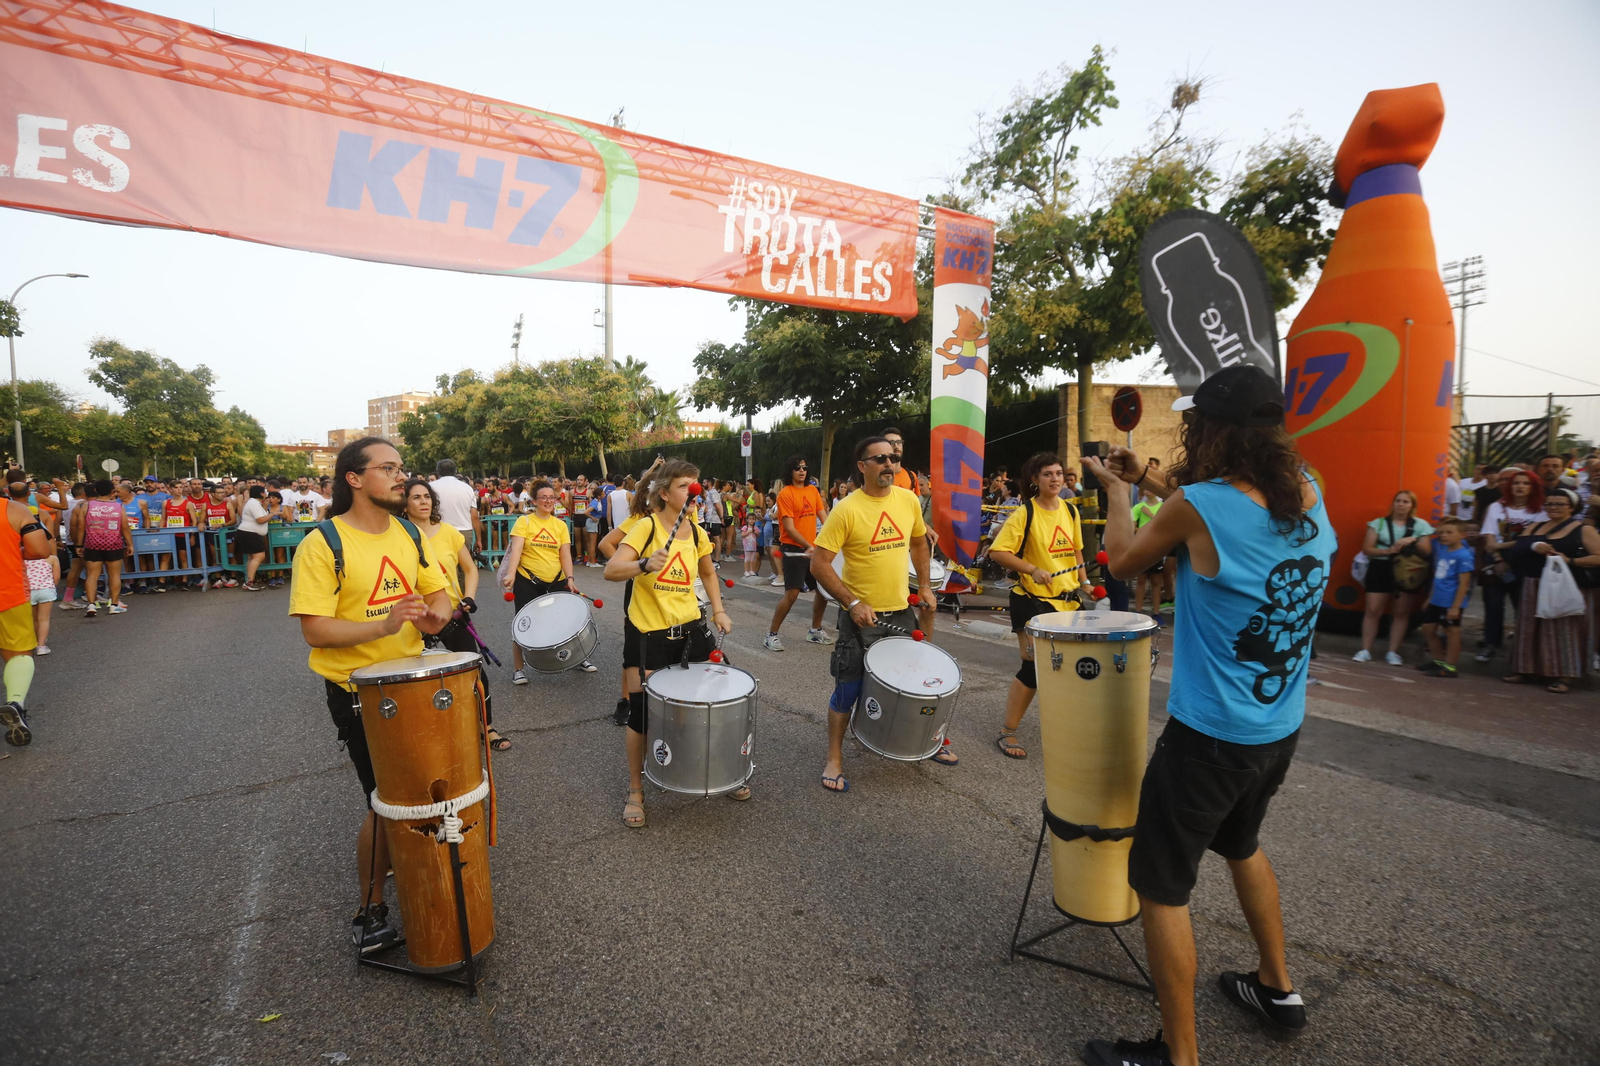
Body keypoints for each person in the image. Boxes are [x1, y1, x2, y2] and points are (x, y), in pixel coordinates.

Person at [1081, 364, 1336, 1066]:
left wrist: (1120, 489)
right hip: (1276, 728)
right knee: (1242, 844)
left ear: (1211, 430)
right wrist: (1158, 486)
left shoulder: (1199, 503)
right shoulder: (1308, 495)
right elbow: (1225, 517)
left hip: (1209, 735)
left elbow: (1126, 560)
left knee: (1160, 886)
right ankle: (1278, 989)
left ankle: (1180, 1056)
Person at [289, 437, 452, 953]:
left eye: (402, 468)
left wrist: (438, 614)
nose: (401, 477)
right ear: (354, 479)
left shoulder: (407, 531)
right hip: (358, 691)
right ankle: (369, 908)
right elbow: (315, 630)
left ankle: (432, 874)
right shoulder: (322, 543)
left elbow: (437, 593)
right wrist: (384, 623)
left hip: (414, 681)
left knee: (434, 785)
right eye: (388, 469)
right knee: (386, 801)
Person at [602, 461, 738, 826]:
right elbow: (611, 570)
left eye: (696, 485)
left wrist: (718, 611)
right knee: (642, 713)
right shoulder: (644, 527)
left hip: (691, 629)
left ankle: (722, 768)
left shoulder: (695, 532)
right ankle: (635, 790)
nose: (693, 491)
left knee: (716, 699)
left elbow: (708, 572)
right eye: (684, 486)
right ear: (664, 493)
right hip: (648, 636)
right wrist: (644, 564)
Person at [809, 436, 947, 793]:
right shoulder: (846, 509)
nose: (889, 464)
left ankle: (923, 742)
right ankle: (834, 758)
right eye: (880, 459)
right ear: (863, 466)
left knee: (915, 683)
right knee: (849, 688)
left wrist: (926, 589)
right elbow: (819, 564)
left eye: (894, 458)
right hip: (858, 616)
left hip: (900, 611)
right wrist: (852, 603)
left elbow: (919, 541)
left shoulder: (908, 500)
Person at [985, 452, 1082, 760]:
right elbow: (997, 552)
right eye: (1048, 474)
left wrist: (1086, 582)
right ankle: (1008, 731)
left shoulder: (1070, 510)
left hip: (1070, 603)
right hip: (1033, 602)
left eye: (1058, 473)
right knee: (1033, 668)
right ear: (1034, 481)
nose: (1055, 479)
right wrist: (1031, 569)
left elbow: (1077, 553)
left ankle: (1065, 726)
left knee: (1068, 669)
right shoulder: (1025, 513)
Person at [403, 477, 509, 751]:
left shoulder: (449, 532)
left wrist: (469, 597)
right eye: (416, 497)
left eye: (427, 496)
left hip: (451, 616)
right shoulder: (397, 535)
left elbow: (470, 569)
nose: (423, 501)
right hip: (412, 622)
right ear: (404, 503)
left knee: (475, 675)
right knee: (414, 682)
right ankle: (425, 736)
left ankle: (486, 727)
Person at [1500, 488, 1599, 693]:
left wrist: (1571, 560)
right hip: (1533, 584)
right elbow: (1517, 549)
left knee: (1565, 630)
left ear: (1571, 507)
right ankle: (1524, 669)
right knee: (1529, 628)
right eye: (1550, 504)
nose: (1553, 508)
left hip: (1566, 585)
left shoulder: (1583, 529)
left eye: (1559, 504)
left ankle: (1565, 677)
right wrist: (1534, 546)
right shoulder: (1536, 525)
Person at [501, 479, 595, 681]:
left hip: (556, 579)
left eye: (551, 497)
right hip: (527, 579)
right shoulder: (524, 522)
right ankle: (519, 669)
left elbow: (565, 555)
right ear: (533, 500)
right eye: (543, 497)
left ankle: (579, 658)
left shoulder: (560, 525)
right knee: (522, 623)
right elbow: (516, 550)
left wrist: (570, 578)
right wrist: (510, 573)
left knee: (569, 620)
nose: (548, 501)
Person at [1353, 490, 1433, 665]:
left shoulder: (1421, 526)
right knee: (1373, 610)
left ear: (1412, 506)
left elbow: (1427, 551)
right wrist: (1387, 551)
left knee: (1401, 612)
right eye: (1398, 500)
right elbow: (1367, 548)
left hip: (1407, 570)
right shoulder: (1378, 524)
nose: (1401, 504)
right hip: (1380, 567)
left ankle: (1393, 652)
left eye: (1406, 502)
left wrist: (1412, 540)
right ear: (1393, 503)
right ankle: (1365, 649)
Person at [1476, 469, 1547, 664]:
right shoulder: (1496, 508)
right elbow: (1489, 537)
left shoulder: (1540, 511)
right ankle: (1491, 644)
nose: (1520, 487)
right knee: (1493, 605)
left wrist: (1499, 545)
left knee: (1523, 606)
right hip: (1496, 561)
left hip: (1526, 562)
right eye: (1516, 483)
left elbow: (1530, 541)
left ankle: (1522, 648)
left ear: (1532, 488)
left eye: (1525, 483)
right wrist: (1498, 557)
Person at [0, 481, 52, 746]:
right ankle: (15, 703)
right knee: (19, 654)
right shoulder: (15, 509)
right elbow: (40, 551)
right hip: (7, 592)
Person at [765, 455, 834, 651]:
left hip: (813, 550)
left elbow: (825, 518)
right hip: (794, 549)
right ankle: (771, 635)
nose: (802, 471)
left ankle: (815, 630)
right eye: (797, 468)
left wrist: (834, 538)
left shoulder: (813, 491)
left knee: (823, 590)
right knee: (792, 594)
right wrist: (807, 545)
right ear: (790, 472)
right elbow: (790, 527)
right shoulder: (785, 494)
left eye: (804, 467)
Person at [1414, 518, 1475, 678]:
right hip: (1437, 599)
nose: (1444, 536)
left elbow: (1464, 584)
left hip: (1450, 601)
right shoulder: (1443, 551)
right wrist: (1430, 597)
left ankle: (1450, 666)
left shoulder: (1464, 556)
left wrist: (1456, 606)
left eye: (1449, 532)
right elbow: (1438, 576)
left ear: (1462, 535)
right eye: (1442, 532)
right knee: (1428, 628)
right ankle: (1438, 660)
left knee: (1451, 631)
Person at [71, 479, 133, 618]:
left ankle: (91, 604)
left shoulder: (86, 506)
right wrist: (130, 544)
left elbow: (81, 528)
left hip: (92, 544)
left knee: (92, 576)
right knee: (114, 575)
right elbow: (124, 527)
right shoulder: (119, 507)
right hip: (114, 544)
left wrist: (79, 545)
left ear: (95, 491)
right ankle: (114, 604)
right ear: (112, 491)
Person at [430, 459, 484, 560]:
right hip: (464, 531)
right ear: (455, 471)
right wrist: (479, 539)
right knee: (463, 568)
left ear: (438, 471)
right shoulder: (467, 488)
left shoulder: (430, 487)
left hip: (438, 531)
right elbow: (474, 516)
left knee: (442, 566)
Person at [235, 485, 272, 590]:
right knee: (259, 556)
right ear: (261, 493)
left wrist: (265, 507)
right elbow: (260, 519)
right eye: (264, 492)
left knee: (252, 558)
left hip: (250, 533)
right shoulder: (253, 504)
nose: (266, 494)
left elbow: (262, 514)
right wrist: (272, 514)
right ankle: (249, 581)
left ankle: (250, 580)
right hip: (250, 533)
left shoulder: (255, 504)